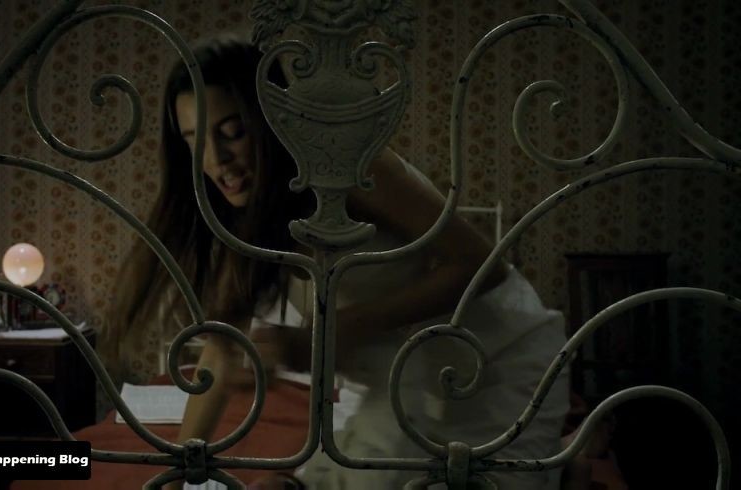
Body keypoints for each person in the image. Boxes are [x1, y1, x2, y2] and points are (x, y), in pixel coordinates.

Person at [105, 36, 570, 489]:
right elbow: (222, 347)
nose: (215, 159)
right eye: (194, 141)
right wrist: (181, 467)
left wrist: (334, 333)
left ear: (272, 121)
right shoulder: (243, 219)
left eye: (233, 133)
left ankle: (570, 461)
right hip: (403, 386)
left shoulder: (349, 169)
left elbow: (484, 265)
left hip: (496, 358)